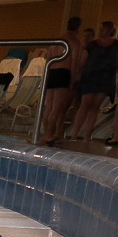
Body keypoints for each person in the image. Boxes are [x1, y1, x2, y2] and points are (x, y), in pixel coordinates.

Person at [70, 21, 118, 141]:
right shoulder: (92, 44)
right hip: (90, 76)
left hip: (106, 78)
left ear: (109, 30)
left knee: (95, 107)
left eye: (102, 29)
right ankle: (75, 133)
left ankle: (87, 135)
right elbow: (83, 61)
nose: (100, 31)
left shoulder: (117, 44)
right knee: (84, 104)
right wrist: (75, 75)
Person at [40, 17, 83, 147]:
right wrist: (72, 80)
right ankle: (49, 135)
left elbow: (48, 59)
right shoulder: (74, 42)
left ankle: (45, 134)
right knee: (57, 108)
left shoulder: (56, 41)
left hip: (51, 72)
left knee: (49, 107)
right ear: (78, 28)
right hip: (63, 73)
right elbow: (74, 62)